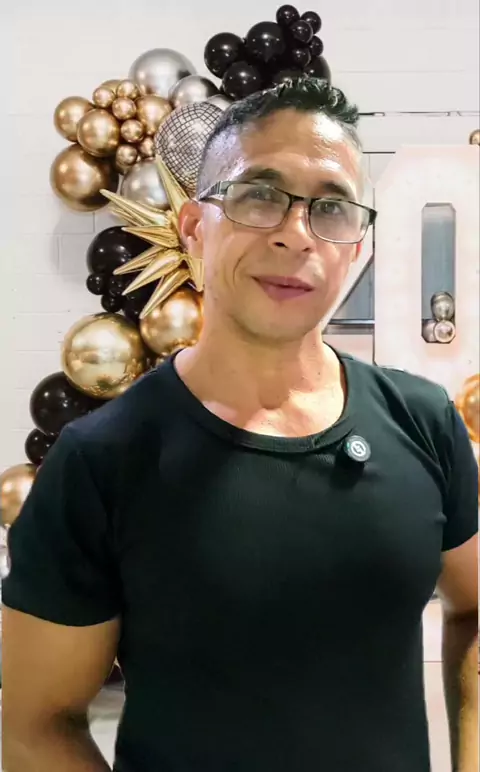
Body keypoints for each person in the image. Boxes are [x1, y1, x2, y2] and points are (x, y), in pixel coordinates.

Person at [2, 77, 478, 772]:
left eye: (331, 207)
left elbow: (475, 605)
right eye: (259, 195)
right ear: (195, 229)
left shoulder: (423, 421)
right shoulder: (101, 461)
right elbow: (36, 726)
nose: (295, 234)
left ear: (356, 249)